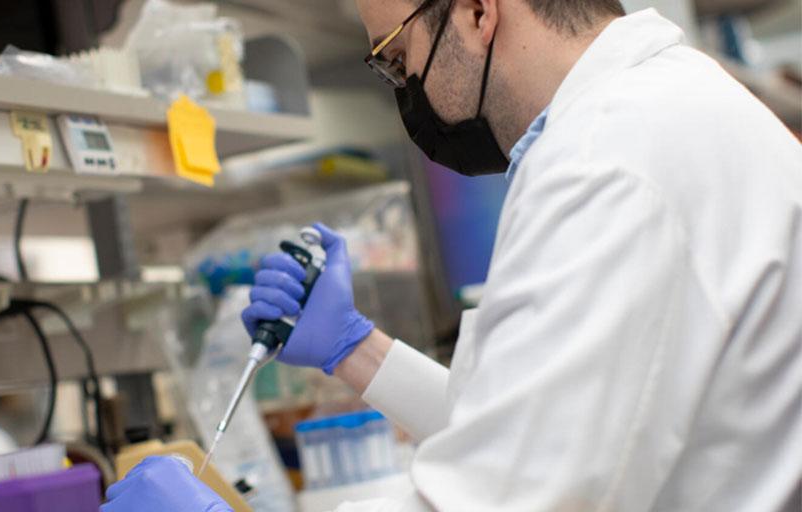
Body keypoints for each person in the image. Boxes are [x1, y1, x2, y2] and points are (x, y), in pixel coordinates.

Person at [101, 0, 802, 510]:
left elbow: (505, 496)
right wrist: (356, 350)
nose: (406, 87)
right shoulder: (657, 109)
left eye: (396, 58)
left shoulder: (606, 163)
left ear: (476, 11)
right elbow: (528, 430)